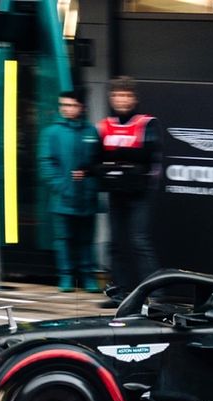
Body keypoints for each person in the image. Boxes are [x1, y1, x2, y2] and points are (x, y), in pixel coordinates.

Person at [95, 75, 161, 305]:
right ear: (111, 98)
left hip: (140, 193)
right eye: (117, 95)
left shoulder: (147, 123)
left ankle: (156, 294)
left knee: (139, 241)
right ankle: (120, 293)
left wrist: (116, 157)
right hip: (115, 192)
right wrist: (124, 159)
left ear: (134, 98)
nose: (122, 99)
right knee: (114, 243)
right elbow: (96, 158)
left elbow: (148, 155)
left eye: (126, 94)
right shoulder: (104, 125)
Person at [40, 90, 101, 292]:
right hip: (62, 199)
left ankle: (88, 277)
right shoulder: (51, 133)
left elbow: (98, 162)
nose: (67, 109)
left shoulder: (92, 131)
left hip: (87, 198)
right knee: (63, 240)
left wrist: (91, 185)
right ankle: (65, 277)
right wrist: (61, 186)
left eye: (72, 105)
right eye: (64, 105)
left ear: (82, 107)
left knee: (86, 240)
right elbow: (46, 163)